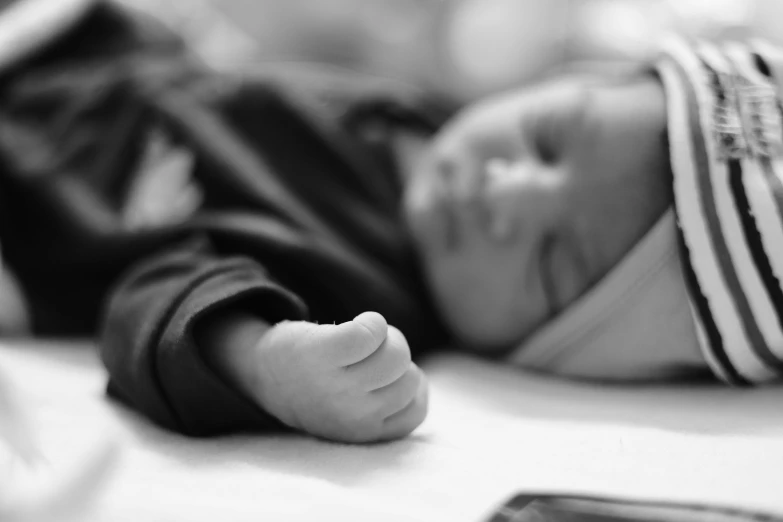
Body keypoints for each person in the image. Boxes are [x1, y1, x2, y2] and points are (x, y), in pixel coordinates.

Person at [2, 0, 782, 444]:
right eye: (546, 139)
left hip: (35, 178)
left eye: (551, 260)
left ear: (550, 349)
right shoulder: (422, 116)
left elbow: (161, 293)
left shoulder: (361, 289)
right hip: (84, 47)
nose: (502, 194)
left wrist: (268, 363)